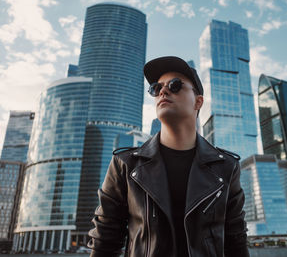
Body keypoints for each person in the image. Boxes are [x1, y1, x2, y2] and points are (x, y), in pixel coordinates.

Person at [87, 56, 249, 257]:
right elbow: (105, 241)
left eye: (175, 85)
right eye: (156, 88)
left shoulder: (226, 167)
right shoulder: (125, 165)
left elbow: (236, 242)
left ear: (198, 102)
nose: (163, 91)